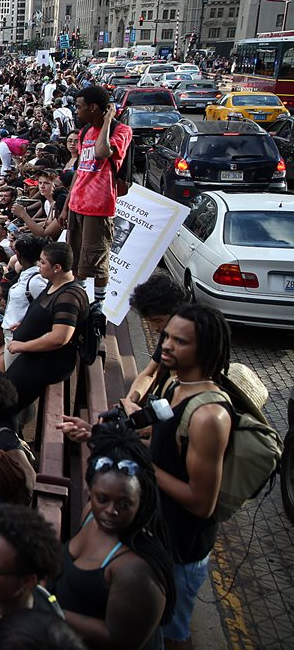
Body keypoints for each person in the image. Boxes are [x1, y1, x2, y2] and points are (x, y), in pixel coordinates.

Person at [62, 303, 235, 650]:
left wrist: (138, 465)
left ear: (206, 348)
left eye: (180, 341)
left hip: (181, 547)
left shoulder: (209, 416)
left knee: (173, 633)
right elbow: (158, 444)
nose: (165, 345)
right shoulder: (175, 385)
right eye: (166, 336)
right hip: (153, 529)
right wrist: (100, 435)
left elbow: (202, 503)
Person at [53, 423, 174, 650]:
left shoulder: (137, 570)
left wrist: (47, 609)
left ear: (141, 501)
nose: (111, 510)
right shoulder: (90, 515)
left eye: (124, 503)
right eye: (102, 498)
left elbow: (121, 640)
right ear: (90, 491)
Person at [64, 84, 132, 305]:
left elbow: (103, 153)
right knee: (76, 262)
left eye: (79, 107)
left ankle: (98, 306)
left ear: (93, 108)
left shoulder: (120, 131)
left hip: (98, 207)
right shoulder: (84, 132)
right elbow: (80, 171)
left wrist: (109, 119)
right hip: (77, 205)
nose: (76, 111)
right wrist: (66, 205)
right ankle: (81, 300)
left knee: (96, 261)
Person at [5, 242, 88, 419]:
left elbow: (59, 338)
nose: (39, 265)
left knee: (6, 400)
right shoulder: (53, 284)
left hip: (46, 362)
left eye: (42, 262)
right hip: (34, 356)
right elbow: (45, 315)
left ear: (57, 267)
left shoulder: (69, 297)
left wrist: (23, 345)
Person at [126, 271, 186, 402]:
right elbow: (150, 372)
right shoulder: (168, 333)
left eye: (158, 320)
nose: (153, 328)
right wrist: (131, 400)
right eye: (149, 321)